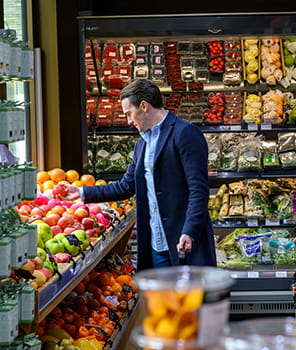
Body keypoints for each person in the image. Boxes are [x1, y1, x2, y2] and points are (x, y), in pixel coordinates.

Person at [60, 79, 216, 271]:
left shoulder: (185, 134)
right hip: (156, 245)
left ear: (144, 106)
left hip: (184, 243)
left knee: (190, 300)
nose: (128, 121)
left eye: (129, 113)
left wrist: (189, 231)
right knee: (159, 301)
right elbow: (126, 186)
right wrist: (82, 193)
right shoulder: (142, 144)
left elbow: (198, 191)